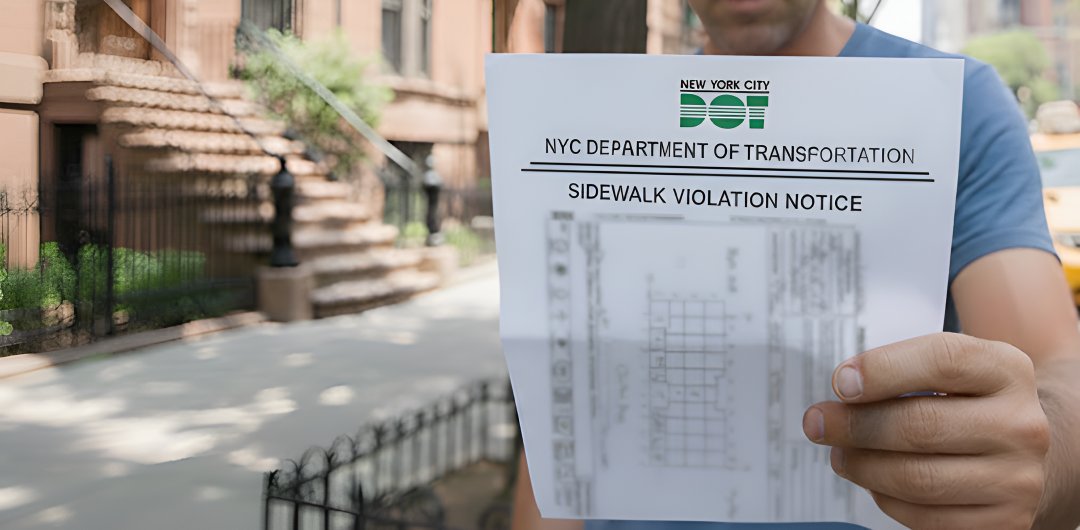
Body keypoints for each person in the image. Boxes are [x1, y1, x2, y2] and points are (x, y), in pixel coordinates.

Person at [510, 1, 1080, 529]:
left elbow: (1057, 368)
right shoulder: (606, 118)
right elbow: (560, 411)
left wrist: (1038, 456)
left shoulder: (961, 105)